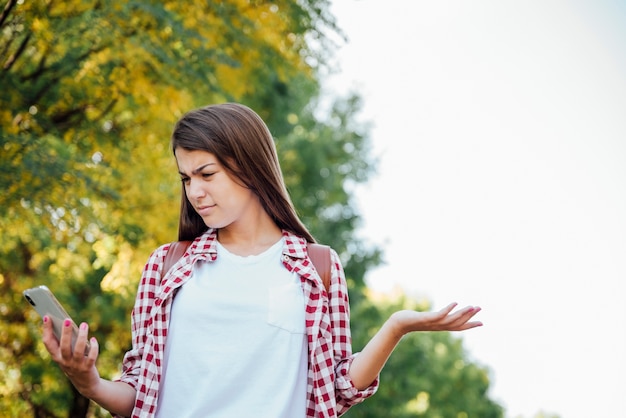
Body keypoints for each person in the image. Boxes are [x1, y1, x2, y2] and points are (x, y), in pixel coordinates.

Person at [42, 102, 482, 418]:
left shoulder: (317, 267)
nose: (194, 192)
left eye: (207, 174)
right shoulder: (167, 266)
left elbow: (339, 388)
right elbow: (138, 396)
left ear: (250, 167)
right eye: (186, 178)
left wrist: (397, 325)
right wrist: (89, 381)